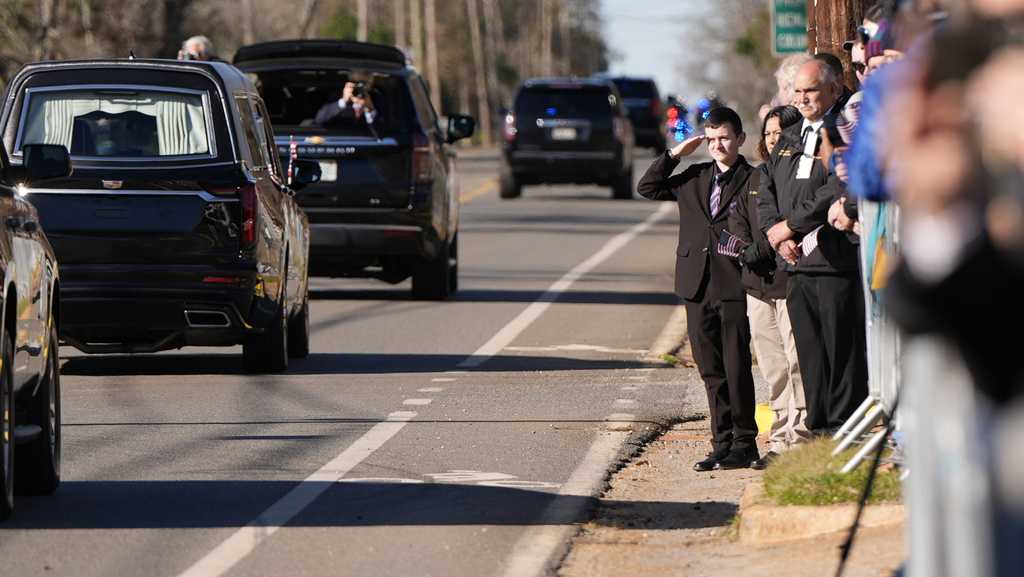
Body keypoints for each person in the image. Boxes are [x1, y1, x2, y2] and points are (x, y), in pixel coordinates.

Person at [637, 107, 760, 471]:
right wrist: (676, 154)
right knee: (710, 368)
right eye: (712, 138)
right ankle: (720, 442)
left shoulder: (753, 180)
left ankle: (744, 442)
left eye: (725, 137)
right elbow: (648, 187)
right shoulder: (694, 176)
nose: (718, 144)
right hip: (696, 283)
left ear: (740, 139)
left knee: (737, 365)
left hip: (734, 282)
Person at [758, 59, 868, 433]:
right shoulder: (789, 137)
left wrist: (792, 225)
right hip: (795, 265)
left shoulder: (844, 131)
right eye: (798, 92)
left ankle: (843, 429)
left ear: (834, 90)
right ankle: (818, 431)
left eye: (811, 91)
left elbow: (835, 188)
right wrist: (775, 230)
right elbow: (766, 185)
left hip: (834, 259)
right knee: (810, 355)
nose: (803, 98)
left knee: (842, 352)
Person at [728, 105, 811, 469]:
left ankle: (802, 437)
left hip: (791, 281)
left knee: (797, 365)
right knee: (774, 369)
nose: (774, 139)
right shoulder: (756, 177)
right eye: (769, 133)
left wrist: (765, 245)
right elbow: (742, 223)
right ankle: (778, 439)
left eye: (780, 132)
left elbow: (789, 222)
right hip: (758, 285)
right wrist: (750, 251)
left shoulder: (802, 174)